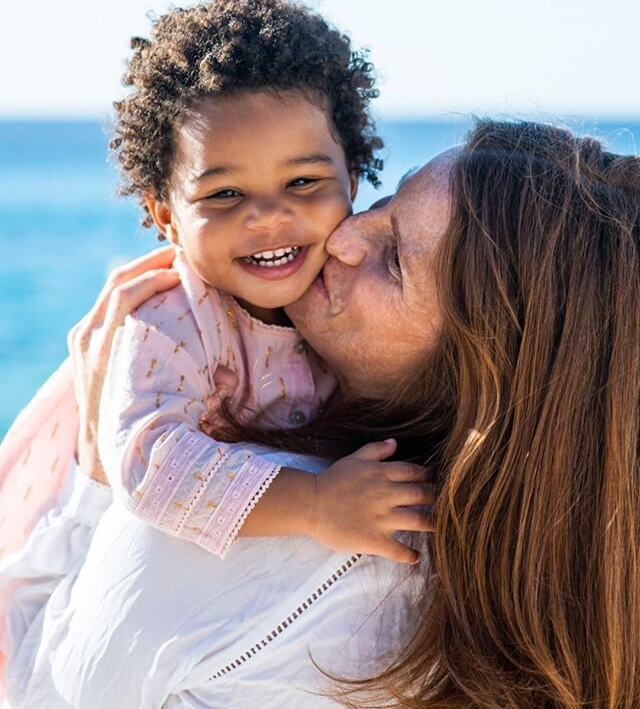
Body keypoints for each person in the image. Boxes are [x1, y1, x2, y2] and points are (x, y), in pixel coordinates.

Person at [3, 120, 640, 708]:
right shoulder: (545, 603)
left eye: (394, 263)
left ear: (483, 376)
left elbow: (46, 690)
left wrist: (95, 472)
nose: (341, 237)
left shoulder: (240, 515)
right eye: (385, 204)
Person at [0, 0, 431, 569]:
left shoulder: (352, 292)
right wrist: (315, 504)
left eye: (303, 182)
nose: (270, 216)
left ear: (352, 181)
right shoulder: (170, 321)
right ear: (166, 218)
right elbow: (148, 463)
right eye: (225, 194)